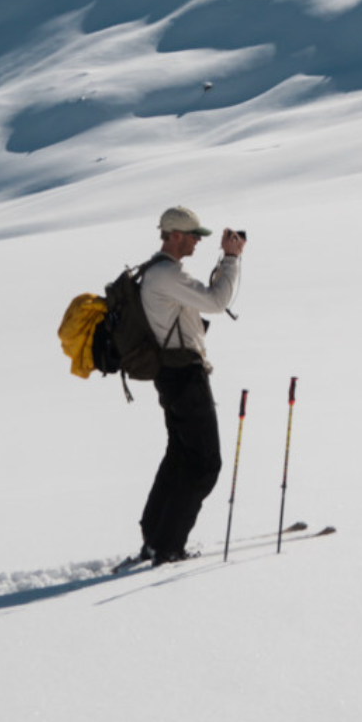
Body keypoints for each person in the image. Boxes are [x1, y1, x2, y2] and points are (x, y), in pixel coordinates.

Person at [133, 205, 245, 566]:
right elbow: (216, 301)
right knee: (205, 464)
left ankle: (154, 537)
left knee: (180, 455)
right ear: (176, 235)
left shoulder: (156, 272)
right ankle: (168, 546)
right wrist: (231, 258)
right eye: (194, 235)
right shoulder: (167, 275)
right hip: (184, 374)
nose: (198, 241)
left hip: (172, 374)